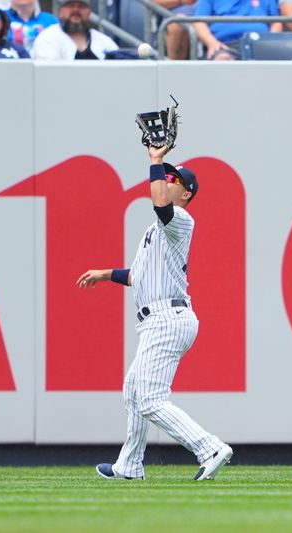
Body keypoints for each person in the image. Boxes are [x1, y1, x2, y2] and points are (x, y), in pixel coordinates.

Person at [77, 141, 233, 482]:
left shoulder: (180, 220)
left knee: (149, 398)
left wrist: (156, 159)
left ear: (186, 193)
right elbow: (139, 276)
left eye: (173, 179)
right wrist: (105, 274)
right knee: (133, 389)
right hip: (156, 319)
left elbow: (161, 204)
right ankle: (129, 467)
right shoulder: (155, 231)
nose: (166, 181)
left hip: (168, 318)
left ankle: (209, 448)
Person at [194, 0, 282, 60]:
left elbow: (276, 22)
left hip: (258, 44)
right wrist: (211, 42)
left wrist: (269, 43)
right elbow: (199, 22)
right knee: (223, 59)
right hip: (226, 45)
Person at [32, 0, 118, 60]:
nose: (76, 10)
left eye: (81, 7)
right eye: (70, 6)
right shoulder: (47, 38)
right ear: (61, 12)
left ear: (89, 13)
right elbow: (49, 74)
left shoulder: (104, 41)